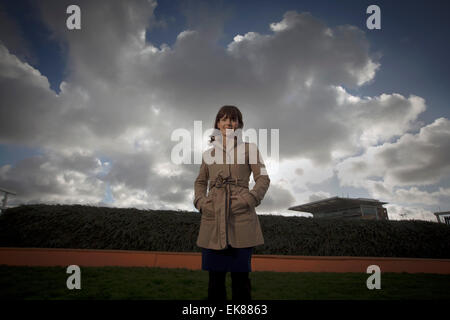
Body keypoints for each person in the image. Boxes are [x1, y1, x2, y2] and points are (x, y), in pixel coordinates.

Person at [193, 105, 270, 301]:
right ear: (218, 123)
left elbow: (263, 178)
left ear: (239, 124)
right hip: (213, 215)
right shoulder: (208, 154)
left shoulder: (250, 149)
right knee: (215, 281)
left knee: (241, 279)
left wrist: (249, 199)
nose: (229, 123)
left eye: (233, 119)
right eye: (224, 119)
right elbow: (201, 182)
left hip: (241, 214)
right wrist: (202, 203)